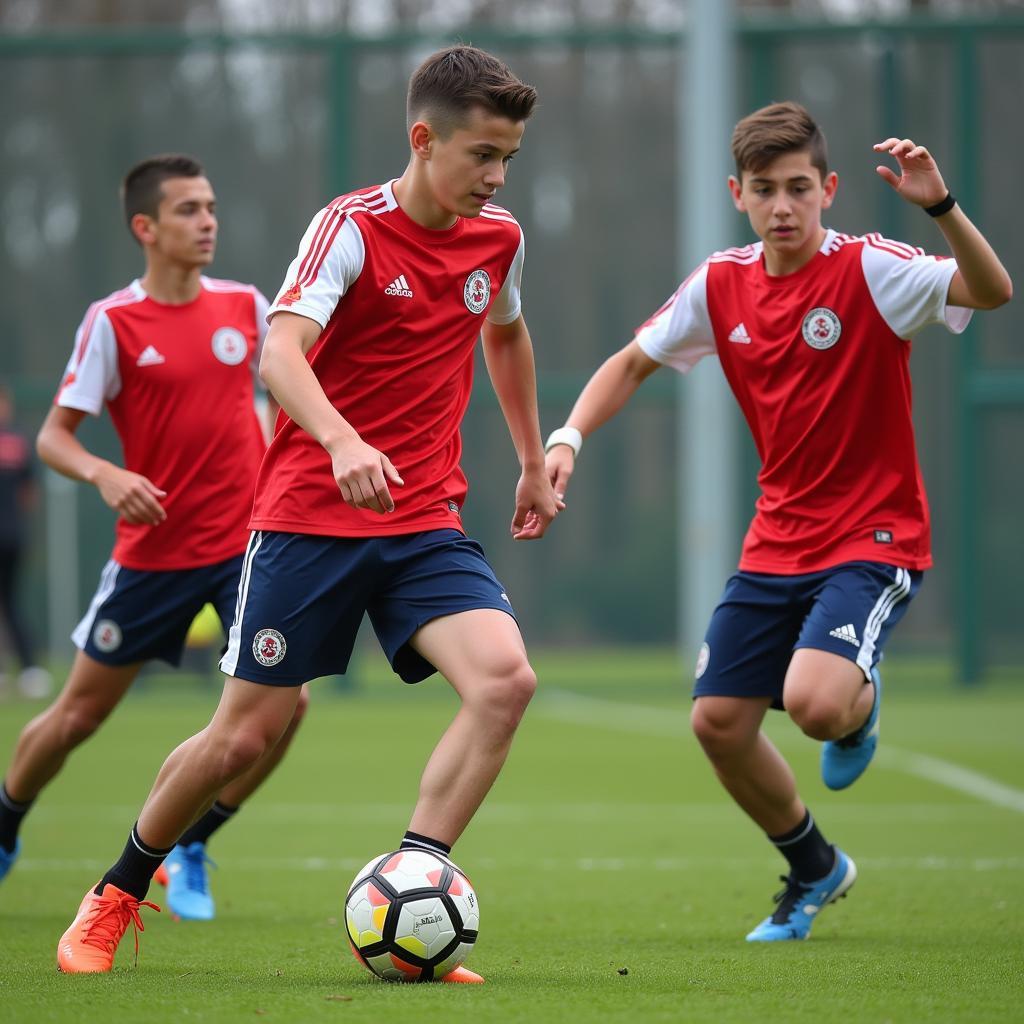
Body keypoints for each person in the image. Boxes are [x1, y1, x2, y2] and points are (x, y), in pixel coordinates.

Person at [55, 46, 559, 979]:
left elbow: (507, 333)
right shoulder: (351, 228)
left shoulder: (499, 239)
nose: (496, 178)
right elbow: (280, 356)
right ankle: (116, 894)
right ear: (423, 139)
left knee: (504, 682)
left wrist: (532, 459)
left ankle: (419, 889)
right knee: (241, 737)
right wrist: (340, 440)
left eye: (508, 160)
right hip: (306, 522)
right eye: (482, 155)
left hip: (421, 523)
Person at [545, 102, 1011, 942]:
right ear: (739, 194)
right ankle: (813, 867)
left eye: (800, 187)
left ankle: (858, 703)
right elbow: (631, 362)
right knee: (716, 723)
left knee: (815, 705)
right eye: (765, 190)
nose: (784, 206)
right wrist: (568, 437)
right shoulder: (720, 283)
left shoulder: (873, 268)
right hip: (776, 541)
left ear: (830, 189)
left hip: (874, 536)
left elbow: (991, 290)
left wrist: (940, 208)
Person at [0, 154, 308, 922]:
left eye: (211, 206)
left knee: (289, 705)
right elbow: (53, 437)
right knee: (76, 717)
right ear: (146, 227)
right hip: (154, 556)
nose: (207, 221)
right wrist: (106, 475)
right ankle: (5, 823)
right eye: (187, 210)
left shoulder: (246, 305)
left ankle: (191, 846)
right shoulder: (114, 321)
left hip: (246, 549)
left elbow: (282, 396)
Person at [0, 383, 52, 699]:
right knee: (11, 603)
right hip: (16, 535)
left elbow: (29, 493)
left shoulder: (18, 440)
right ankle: (28, 669)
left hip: (11, 536)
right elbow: (30, 493)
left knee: (10, 603)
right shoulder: (20, 439)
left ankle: (29, 670)